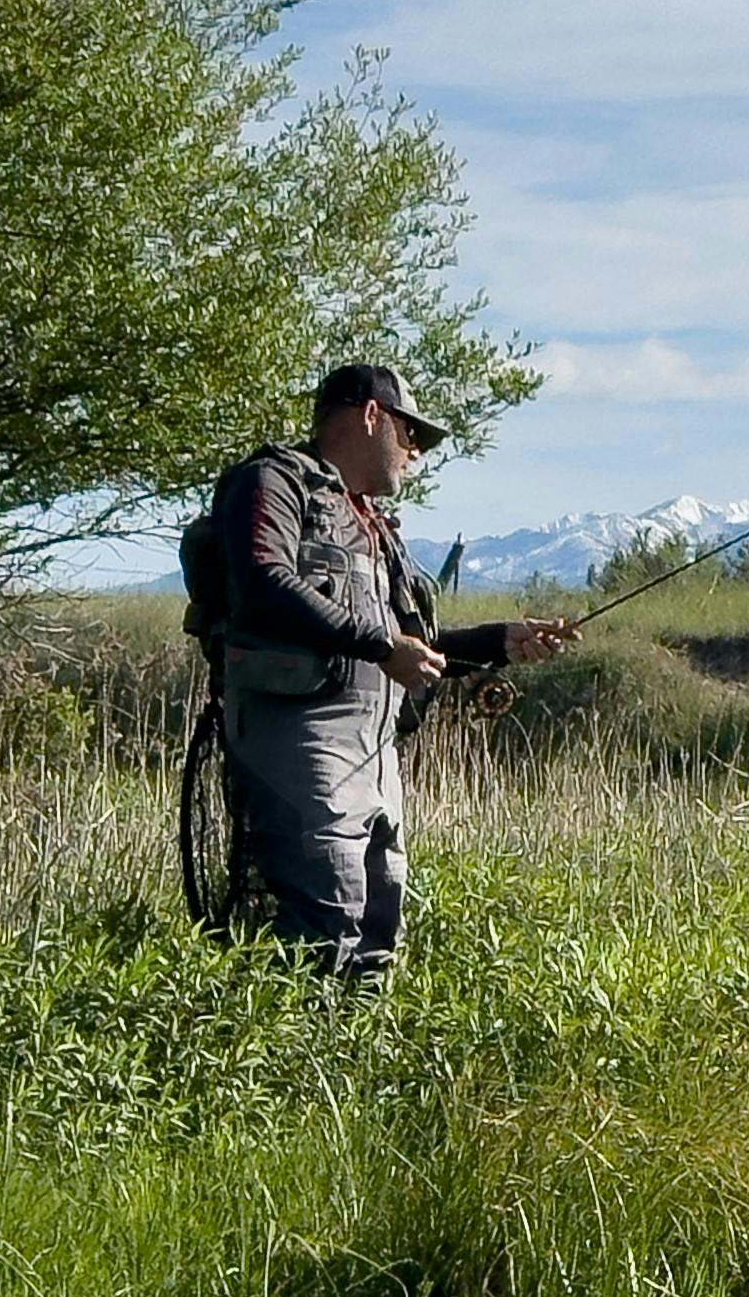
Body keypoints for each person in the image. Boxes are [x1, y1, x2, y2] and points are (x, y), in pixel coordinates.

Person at [203, 363, 573, 973]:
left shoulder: (375, 527)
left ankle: (358, 1061)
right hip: (301, 745)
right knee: (322, 922)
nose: (415, 455)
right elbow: (263, 581)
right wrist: (382, 646)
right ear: (372, 415)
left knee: (378, 925)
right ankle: (301, 1057)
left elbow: (415, 647)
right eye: (411, 436)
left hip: (375, 759)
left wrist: (503, 641)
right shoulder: (270, 481)